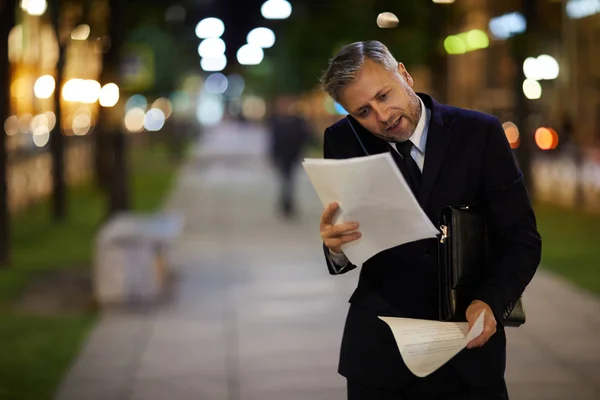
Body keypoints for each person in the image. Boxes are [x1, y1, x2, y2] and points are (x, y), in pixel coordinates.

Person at [318, 40, 541, 399]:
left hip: (468, 348)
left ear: (404, 74)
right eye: (362, 111)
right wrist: (337, 248)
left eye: (384, 95)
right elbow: (348, 244)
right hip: (379, 355)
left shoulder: (479, 133)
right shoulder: (341, 140)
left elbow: (522, 237)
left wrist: (491, 302)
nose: (382, 116)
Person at [268, 95, 312, 218]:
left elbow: (304, 137)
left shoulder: (297, 121)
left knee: (289, 179)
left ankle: (287, 203)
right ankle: (286, 203)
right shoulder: (275, 120)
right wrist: (272, 155)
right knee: (285, 180)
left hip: (293, 155)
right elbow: (273, 140)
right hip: (281, 155)